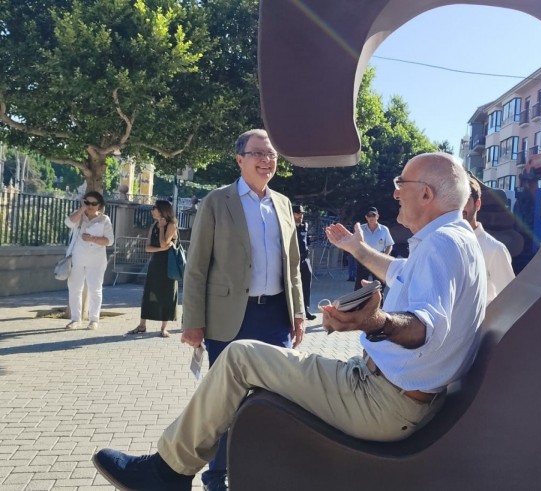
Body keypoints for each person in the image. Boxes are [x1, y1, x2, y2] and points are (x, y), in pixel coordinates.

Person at [91, 152, 487, 491]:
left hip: (382, 403)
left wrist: (373, 321)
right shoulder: (454, 238)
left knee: (240, 357)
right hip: (386, 392)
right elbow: (399, 271)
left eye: (401, 182)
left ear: (426, 193)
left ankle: (168, 472)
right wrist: (358, 249)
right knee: (249, 361)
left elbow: (424, 327)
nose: (394, 191)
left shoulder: (441, 244)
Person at [178, 129, 306, 491]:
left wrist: (298, 314)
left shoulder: (282, 203)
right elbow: (197, 266)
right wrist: (193, 322)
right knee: (225, 404)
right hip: (228, 319)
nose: (267, 161)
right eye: (259, 154)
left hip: (275, 318)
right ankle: (216, 475)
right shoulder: (218, 201)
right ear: (239, 159)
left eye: (273, 155)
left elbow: (292, 265)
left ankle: (263, 469)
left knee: (273, 400)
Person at [127, 200, 179, 338]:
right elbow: (148, 247)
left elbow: (164, 242)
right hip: (155, 263)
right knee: (148, 293)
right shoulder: (153, 225)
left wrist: (162, 228)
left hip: (168, 265)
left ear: (162, 210)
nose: (152, 210)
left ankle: (164, 328)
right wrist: (161, 248)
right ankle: (142, 325)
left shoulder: (172, 224)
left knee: (167, 294)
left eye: (154, 208)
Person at [64, 191, 114, 330]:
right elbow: (68, 223)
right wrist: (81, 209)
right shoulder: (79, 216)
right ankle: (75, 319)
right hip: (77, 258)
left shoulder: (104, 219)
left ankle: (94, 319)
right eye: (87, 202)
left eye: (94, 203)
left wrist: (93, 239)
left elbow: (110, 241)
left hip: (96, 260)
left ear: (100, 205)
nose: (90, 206)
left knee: (95, 289)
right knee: (74, 289)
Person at [463, 176, 515, 303]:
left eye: (465, 200)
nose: (459, 207)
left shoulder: (494, 250)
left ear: (478, 204)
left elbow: (509, 300)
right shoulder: (442, 245)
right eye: (455, 200)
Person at [354, 206, 394, 290]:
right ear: (366, 217)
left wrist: (385, 257)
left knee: (379, 285)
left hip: (379, 258)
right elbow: (355, 243)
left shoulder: (384, 229)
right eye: (369, 215)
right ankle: (360, 302)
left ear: (377, 216)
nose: (371, 218)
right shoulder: (361, 229)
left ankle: (379, 302)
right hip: (364, 257)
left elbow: (389, 244)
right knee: (360, 284)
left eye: (373, 215)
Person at [292, 204, 317, 320]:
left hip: (304, 259)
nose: (300, 216)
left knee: (306, 284)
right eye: (298, 213)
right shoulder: (288, 226)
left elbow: (306, 241)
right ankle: (292, 311)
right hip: (292, 260)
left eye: (301, 214)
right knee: (292, 286)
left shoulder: (304, 226)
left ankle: (305, 309)